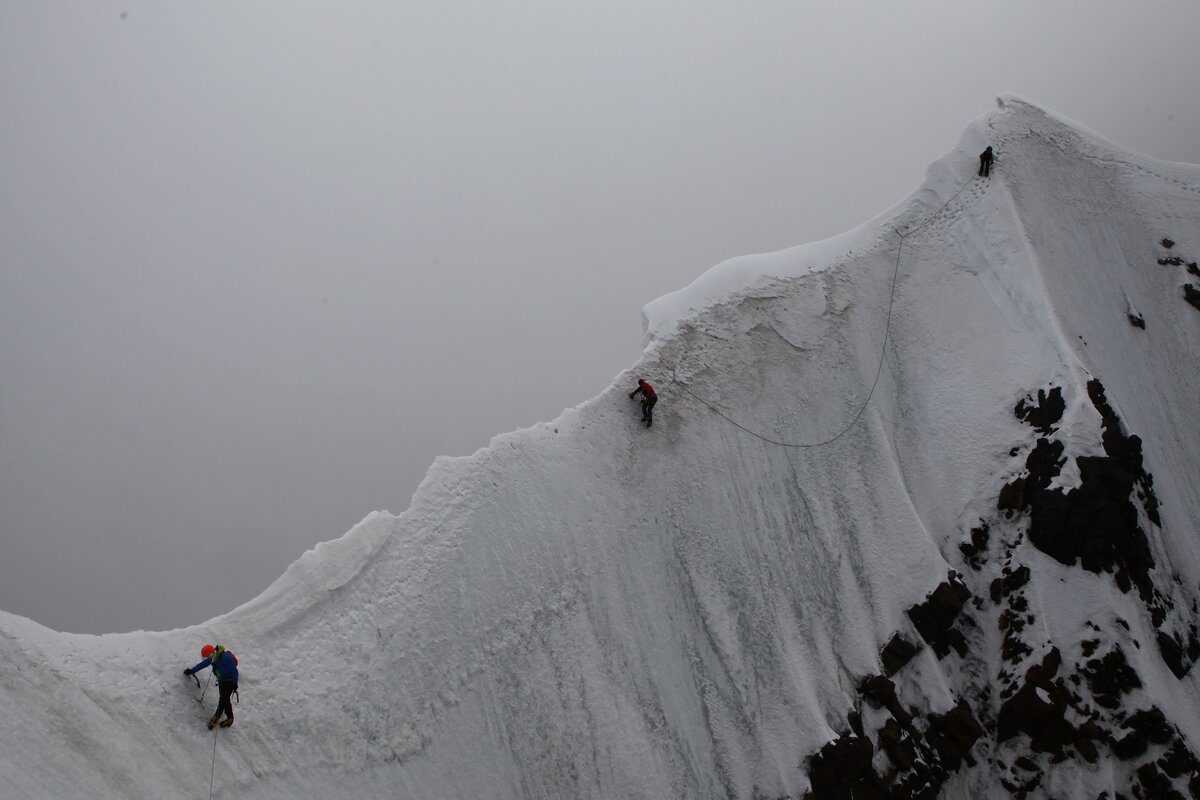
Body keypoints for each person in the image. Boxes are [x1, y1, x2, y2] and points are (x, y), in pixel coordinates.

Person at [184, 644, 239, 729]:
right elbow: (203, 664)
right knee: (225, 699)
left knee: (222, 700)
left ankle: (216, 717)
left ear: (211, 654)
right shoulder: (212, 658)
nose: (208, 659)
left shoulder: (224, 657)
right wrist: (192, 671)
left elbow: (234, 670)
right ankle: (230, 719)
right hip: (222, 681)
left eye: (208, 657)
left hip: (230, 682)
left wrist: (235, 684)